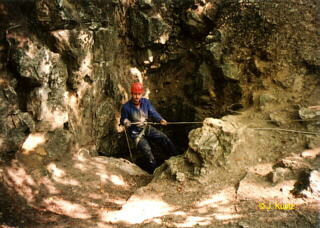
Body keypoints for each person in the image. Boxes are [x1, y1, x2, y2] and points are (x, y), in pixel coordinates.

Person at [120, 82, 177, 171]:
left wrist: (160, 119)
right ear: (131, 93)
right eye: (135, 94)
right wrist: (126, 121)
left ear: (141, 94)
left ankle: (175, 157)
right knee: (147, 150)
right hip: (136, 133)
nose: (136, 97)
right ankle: (154, 171)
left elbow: (153, 112)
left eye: (138, 94)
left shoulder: (146, 102)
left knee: (163, 137)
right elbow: (123, 119)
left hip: (146, 128)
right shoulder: (126, 107)